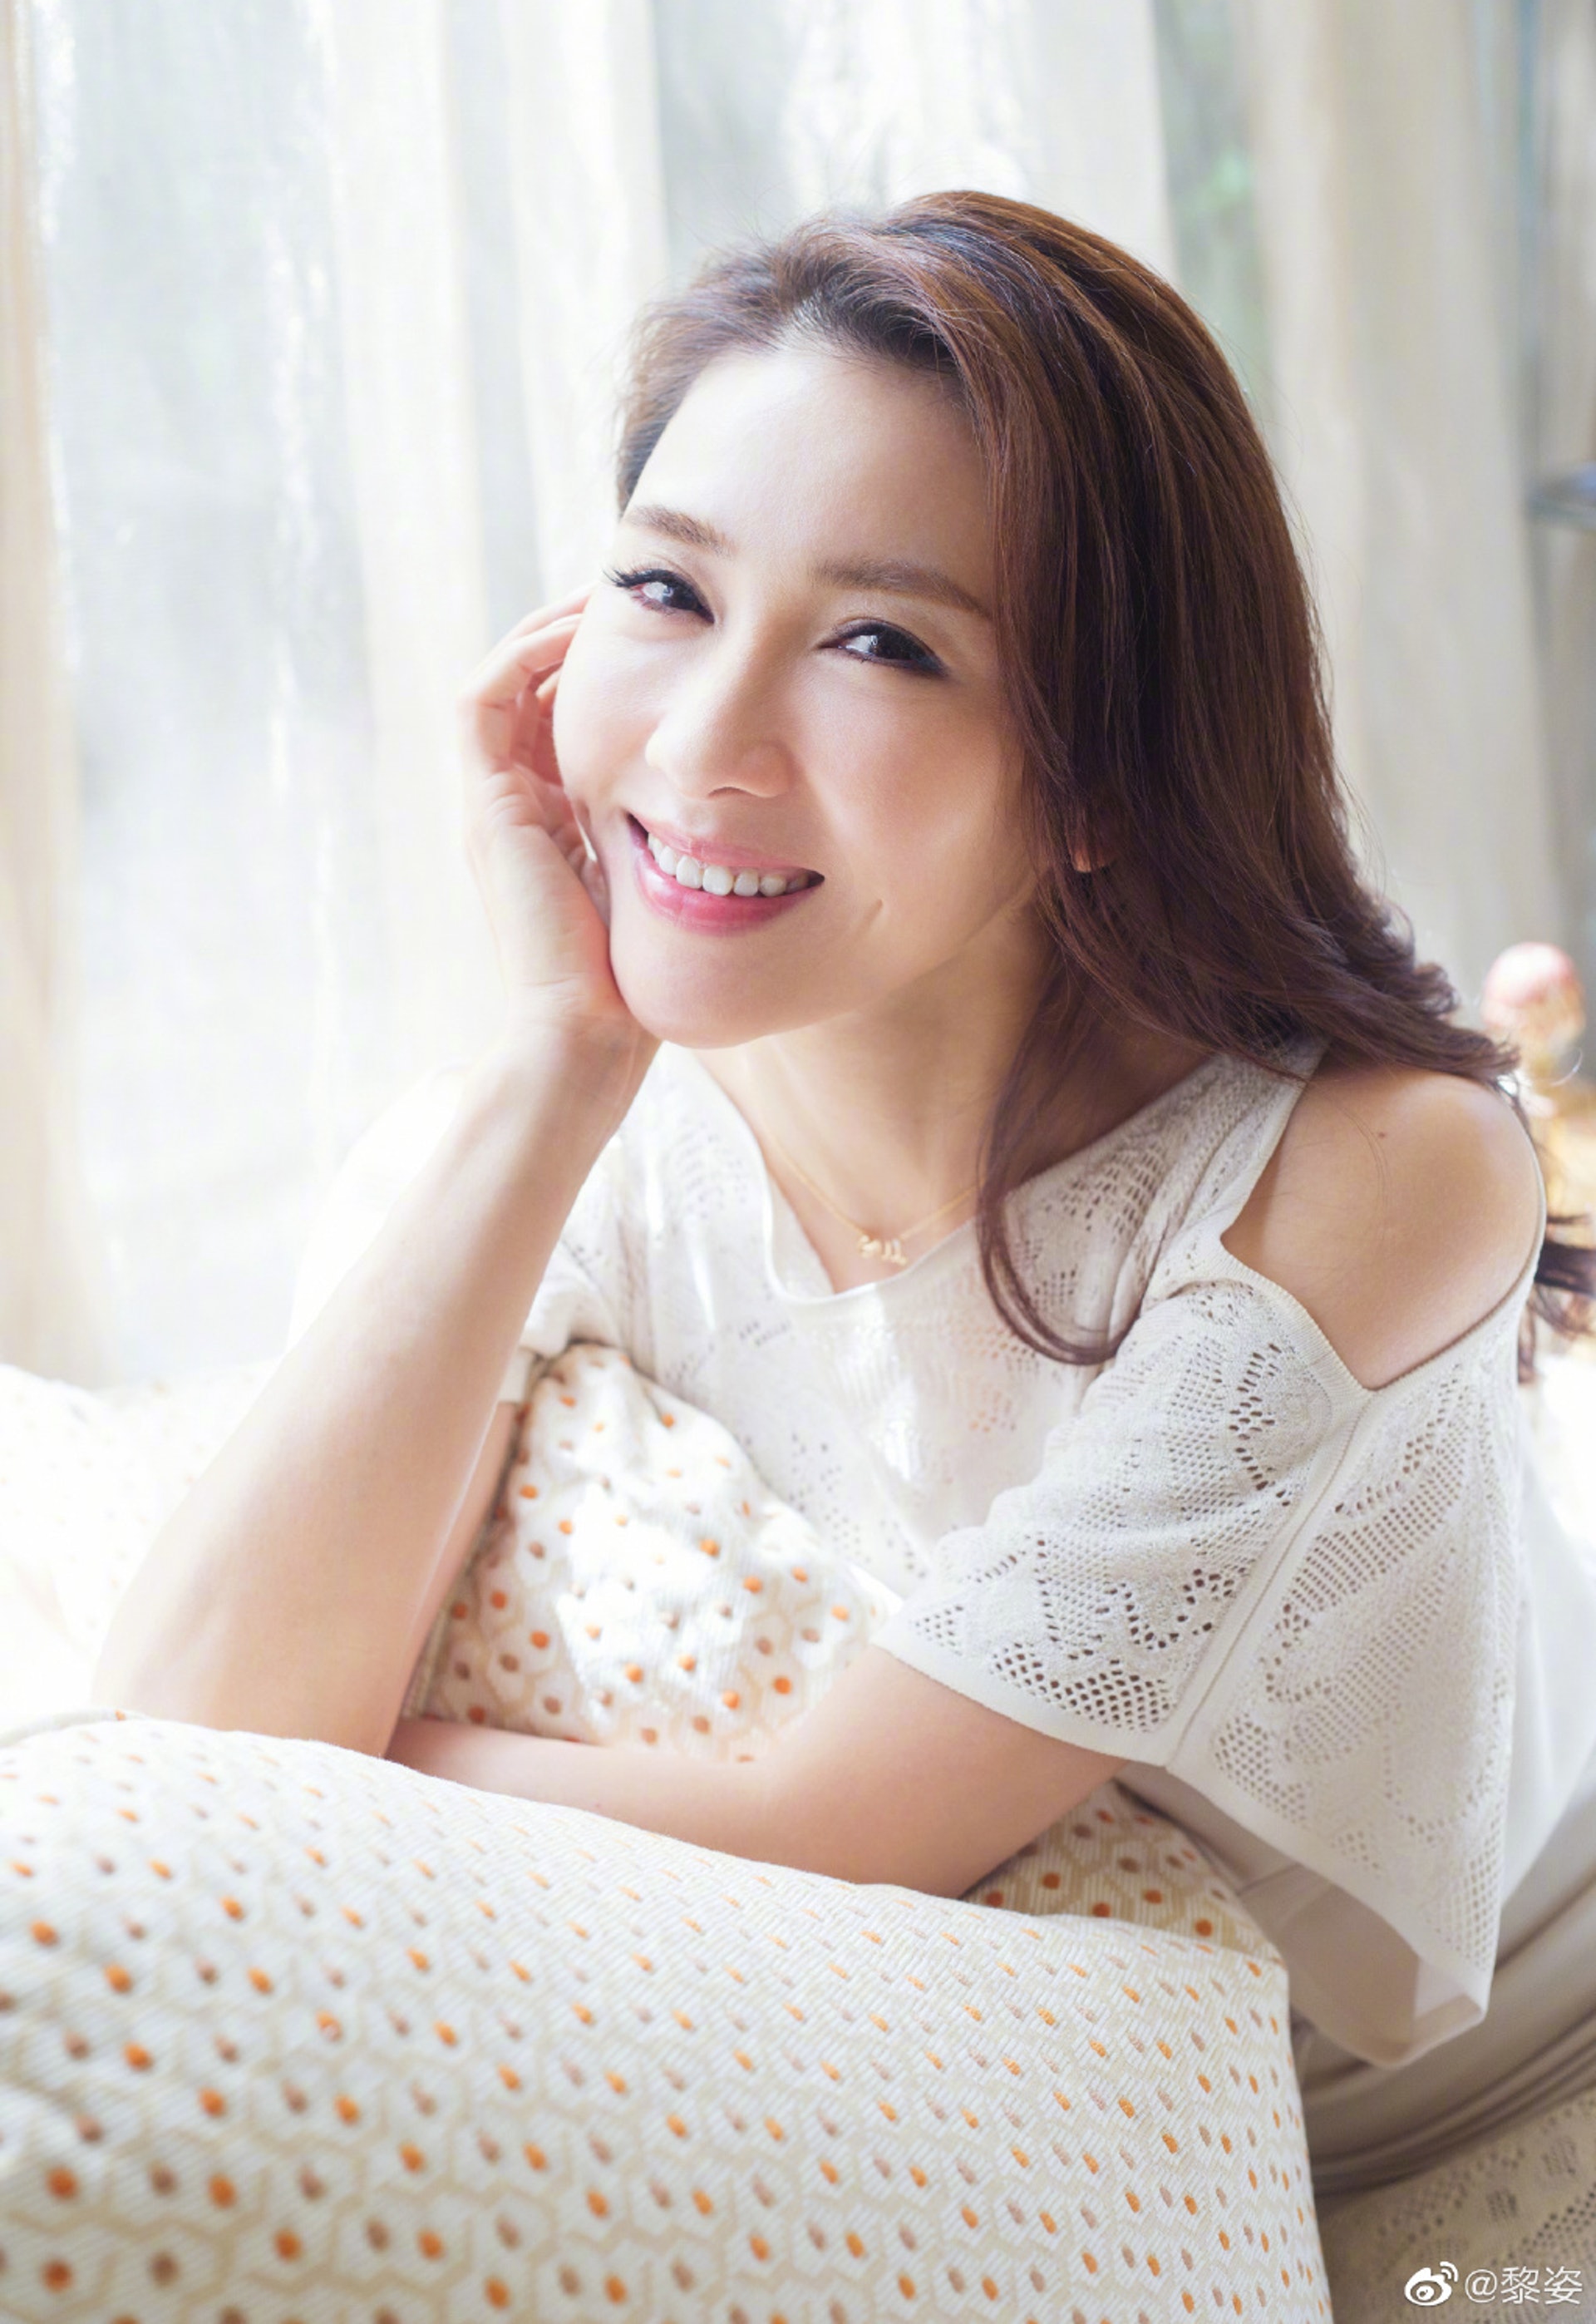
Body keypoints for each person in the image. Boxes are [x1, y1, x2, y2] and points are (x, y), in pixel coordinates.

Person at [92, 193, 1596, 2225]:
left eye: (882, 643)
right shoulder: (570, 1145)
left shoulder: (1371, 1168)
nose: (705, 746)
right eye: (665, 589)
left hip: (1503, 2111)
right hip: (1045, 2144)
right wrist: (563, 1061)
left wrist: (354, 1749)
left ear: (1105, 775)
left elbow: (833, 1830)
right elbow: (188, 1728)